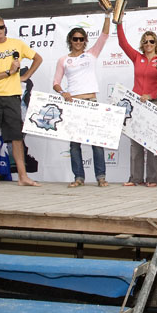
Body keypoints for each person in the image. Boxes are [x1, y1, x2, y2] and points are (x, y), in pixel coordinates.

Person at [0, 15, 42, 187]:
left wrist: (26, 76)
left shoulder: (17, 44)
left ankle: (23, 176)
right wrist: (8, 72)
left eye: (1, 27)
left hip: (12, 96)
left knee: (16, 136)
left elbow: (38, 58)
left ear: (5, 27)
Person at [53, 13, 111, 187]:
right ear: (70, 40)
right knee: (74, 144)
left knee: (96, 142)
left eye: (81, 39)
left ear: (85, 41)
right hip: (74, 104)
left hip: (91, 101)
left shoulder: (92, 54)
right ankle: (79, 177)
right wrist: (63, 92)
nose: (78, 42)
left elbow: (104, 35)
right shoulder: (63, 60)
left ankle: (101, 177)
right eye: (75, 39)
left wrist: (107, 14)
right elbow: (56, 83)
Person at [117, 22, 157, 187]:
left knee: (153, 142)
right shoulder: (136, 57)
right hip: (136, 104)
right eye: (145, 41)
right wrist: (119, 24)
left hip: (153, 104)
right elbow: (123, 43)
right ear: (142, 43)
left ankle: (152, 179)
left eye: (151, 41)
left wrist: (151, 95)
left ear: (156, 43)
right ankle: (136, 178)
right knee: (136, 143)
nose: (148, 44)